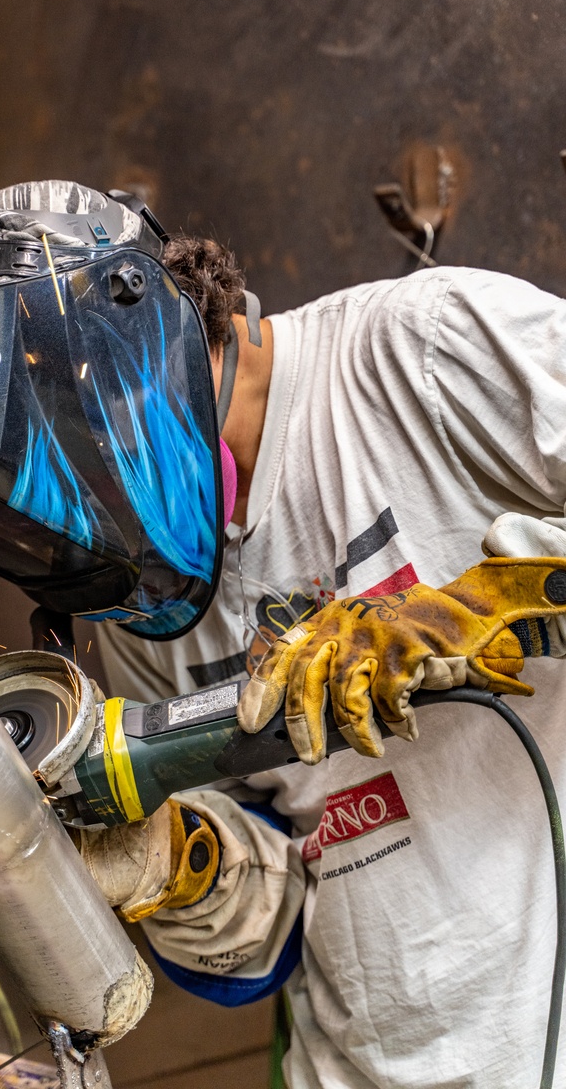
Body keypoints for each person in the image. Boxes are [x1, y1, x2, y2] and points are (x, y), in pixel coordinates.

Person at [85, 230, 566, 1087]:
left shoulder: (423, 349)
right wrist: (176, 860)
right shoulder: (145, 595)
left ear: (146, 360)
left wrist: (485, 601)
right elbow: (271, 925)